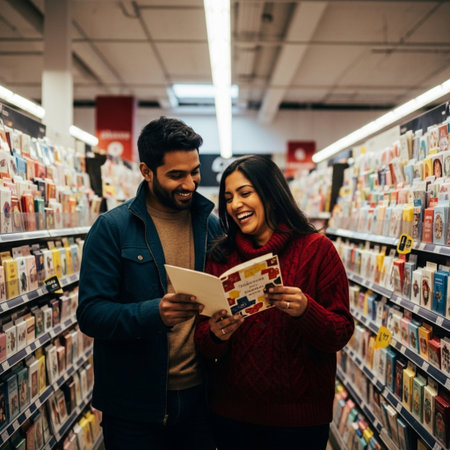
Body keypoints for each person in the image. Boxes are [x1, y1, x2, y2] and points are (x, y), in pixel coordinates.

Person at [77, 116, 221, 450]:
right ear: (146, 171)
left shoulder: (211, 226)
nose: (190, 183)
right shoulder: (112, 228)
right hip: (134, 405)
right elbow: (91, 314)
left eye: (195, 171)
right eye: (176, 175)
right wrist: (154, 313)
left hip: (200, 397)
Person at [195, 155, 354, 450]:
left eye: (245, 193)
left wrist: (307, 310)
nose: (234, 205)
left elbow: (340, 332)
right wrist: (217, 334)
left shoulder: (318, 250)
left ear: (271, 192)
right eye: (228, 197)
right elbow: (202, 339)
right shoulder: (221, 256)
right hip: (232, 416)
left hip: (299, 422)